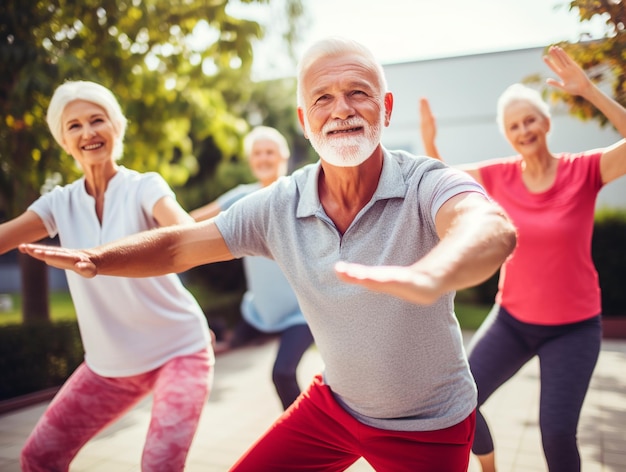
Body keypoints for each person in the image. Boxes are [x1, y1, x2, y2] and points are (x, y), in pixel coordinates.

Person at [20, 37, 517, 472]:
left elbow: (487, 226)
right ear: (304, 120)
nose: (340, 108)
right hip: (336, 407)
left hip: (428, 421)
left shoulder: (424, 181)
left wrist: (435, 271)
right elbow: (180, 243)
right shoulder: (281, 202)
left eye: (357, 93)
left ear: (386, 108)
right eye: (322, 98)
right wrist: (99, 259)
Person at [418, 45, 626, 472]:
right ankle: (490, 468)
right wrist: (430, 142)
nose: (524, 130)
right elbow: (442, 177)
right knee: (461, 403)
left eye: (530, 119)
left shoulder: (582, 170)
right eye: (514, 126)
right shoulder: (500, 175)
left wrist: (587, 90)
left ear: (546, 123)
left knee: (555, 433)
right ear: (507, 135)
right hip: (512, 320)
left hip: (574, 328)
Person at [0, 80, 214, 471]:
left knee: (158, 465)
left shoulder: (144, 187)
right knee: (38, 456)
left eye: (97, 120)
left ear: (117, 127)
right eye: (74, 126)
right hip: (109, 366)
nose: (88, 132)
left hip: (179, 351)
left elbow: (187, 236)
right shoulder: (59, 203)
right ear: (64, 141)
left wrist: (99, 257)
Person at [190, 125, 314, 410]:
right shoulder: (241, 196)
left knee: (282, 373)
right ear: (251, 160)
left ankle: (301, 436)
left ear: (283, 156)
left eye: (270, 152)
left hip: (302, 309)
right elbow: (190, 221)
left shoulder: (300, 190)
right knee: (227, 347)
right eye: (257, 153)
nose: (263, 158)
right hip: (261, 310)